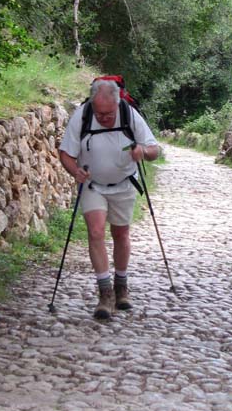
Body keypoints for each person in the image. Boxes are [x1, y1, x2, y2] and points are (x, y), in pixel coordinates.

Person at [59, 79, 159, 319]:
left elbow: (155, 150)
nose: (103, 118)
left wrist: (142, 152)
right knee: (95, 232)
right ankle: (105, 293)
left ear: (117, 103)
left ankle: (121, 286)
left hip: (124, 185)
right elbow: (65, 153)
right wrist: (76, 171)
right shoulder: (82, 115)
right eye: (99, 113)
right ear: (93, 104)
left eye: (108, 113)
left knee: (121, 234)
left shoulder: (129, 114)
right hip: (93, 184)